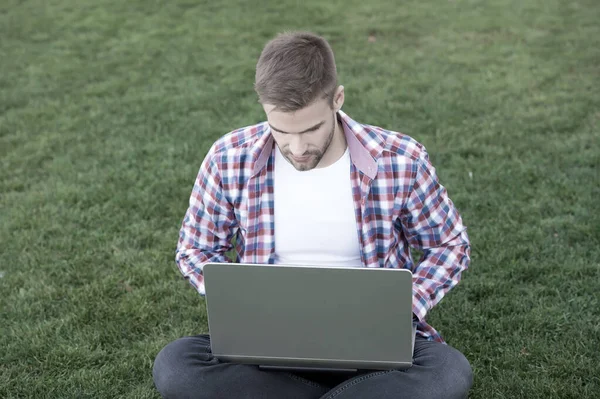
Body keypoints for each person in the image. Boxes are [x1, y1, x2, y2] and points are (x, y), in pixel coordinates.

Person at [153, 31, 473, 399]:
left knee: (448, 372)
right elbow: (195, 249)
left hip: (373, 343)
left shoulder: (400, 158)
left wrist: (405, 306)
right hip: (267, 340)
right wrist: (240, 301)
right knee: (176, 365)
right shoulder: (229, 157)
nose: (297, 148)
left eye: (311, 129)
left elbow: (449, 245)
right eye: (281, 132)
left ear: (337, 99)